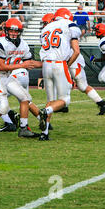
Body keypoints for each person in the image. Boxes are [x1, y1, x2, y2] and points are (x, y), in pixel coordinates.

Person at [38, 8, 81, 141]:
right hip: (59, 63)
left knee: (50, 100)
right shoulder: (69, 24)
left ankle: (44, 133)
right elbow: (76, 51)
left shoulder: (46, 28)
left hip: (46, 65)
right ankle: (46, 112)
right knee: (65, 100)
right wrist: (67, 66)